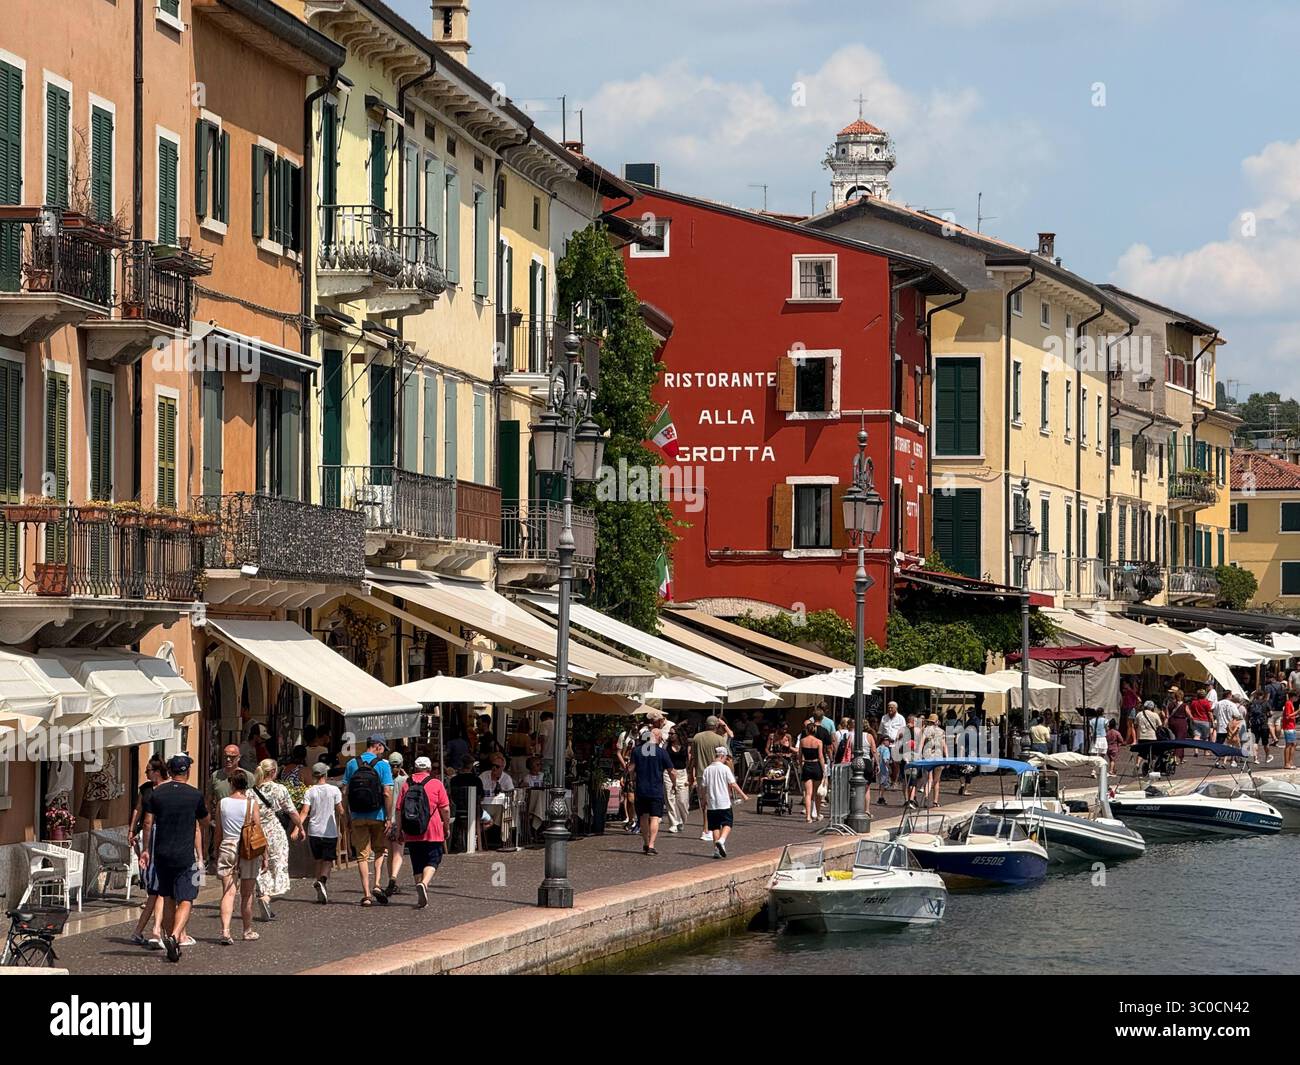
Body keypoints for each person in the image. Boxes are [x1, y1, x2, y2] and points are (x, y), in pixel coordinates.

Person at [139, 754, 209, 963]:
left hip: (161, 854)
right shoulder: (195, 795)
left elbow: (147, 823)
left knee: (167, 897)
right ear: (186, 771)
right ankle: (174, 936)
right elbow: (205, 821)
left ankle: (172, 942)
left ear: (169, 771)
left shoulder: (157, 793)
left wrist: (145, 849)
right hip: (184, 855)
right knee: (187, 898)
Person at [215, 771, 267, 945]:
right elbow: (258, 830)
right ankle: (247, 930)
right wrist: (265, 855)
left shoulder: (222, 803)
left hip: (227, 847)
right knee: (247, 894)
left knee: (228, 893)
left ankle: (225, 931)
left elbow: (218, 832)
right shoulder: (252, 804)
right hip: (248, 850)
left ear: (231, 784)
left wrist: (216, 852)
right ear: (247, 785)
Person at [342, 735, 395, 906]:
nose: (383, 752)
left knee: (362, 856)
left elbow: (345, 792)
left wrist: (347, 816)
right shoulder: (382, 765)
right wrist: (388, 817)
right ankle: (377, 884)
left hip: (357, 815)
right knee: (380, 850)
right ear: (378, 746)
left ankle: (366, 895)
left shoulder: (351, 764)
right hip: (377, 814)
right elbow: (387, 792)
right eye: (383, 748)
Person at [251, 758, 305, 919]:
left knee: (260, 866)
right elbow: (292, 811)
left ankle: (262, 893)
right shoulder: (279, 789)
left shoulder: (251, 791)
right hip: (274, 831)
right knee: (278, 863)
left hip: (256, 832)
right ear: (273, 772)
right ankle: (268, 897)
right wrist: (300, 827)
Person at [395, 756, 451, 908]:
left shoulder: (407, 784)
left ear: (414, 768)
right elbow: (445, 809)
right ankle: (424, 884)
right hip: (432, 830)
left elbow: (399, 809)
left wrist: (399, 830)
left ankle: (420, 896)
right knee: (433, 859)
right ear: (429, 769)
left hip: (412, 831)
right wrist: (446, 826)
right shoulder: (436, 783)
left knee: (417, 863)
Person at [129, 756, 167, 948]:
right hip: (153, 840)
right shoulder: (146, 789)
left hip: (157, 840)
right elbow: (139, 811)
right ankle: (156, 932)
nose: (146, 774)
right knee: (158, 891)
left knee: (156, 892)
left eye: (148, 770)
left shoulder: (166, 789)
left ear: (157, 772)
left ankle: (147, 931)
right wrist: (131, 830)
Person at [299, 762, 344, 903]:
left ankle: (320, 888)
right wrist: (346, 820)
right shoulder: (334, 790)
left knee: (318, 859)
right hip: (329, 831)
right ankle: (322, 881)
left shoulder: (309, 791)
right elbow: (340, 810)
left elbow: (304, 811)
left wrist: (297, 827)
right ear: (325, 774)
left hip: (314, 830)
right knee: (328, 860)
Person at [632, 728, 677, 855]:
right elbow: (671, 771)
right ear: (657, 738)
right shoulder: (662, 752)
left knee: (643, 816)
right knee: (655, 817)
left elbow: (631, 769)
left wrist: (630, 779)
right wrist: (674, 784)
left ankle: (646, 842)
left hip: (641, 789)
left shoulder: (637, 751)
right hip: (656, 790)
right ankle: (651, 845)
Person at [702, 746, 747, 859]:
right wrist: (743, 795)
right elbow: (732, 783)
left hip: (712, 802)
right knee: (728, 823)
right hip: (724, 802)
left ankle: (716, 850)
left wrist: (703, 799)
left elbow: (703, 787)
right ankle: (722, 840)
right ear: (722, 756)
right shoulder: (725, 769)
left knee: (715, 827)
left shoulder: (707, 769)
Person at [691, 716, 731, 840]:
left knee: (704, 803)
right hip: (717, 773)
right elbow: (728, 757)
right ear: (716, 726)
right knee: (718, 802)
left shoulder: (697, 737)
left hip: (701, 773)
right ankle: (713, 829)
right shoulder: (719, 739)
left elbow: (692, 757)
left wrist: (690, 775)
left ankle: (706, 829)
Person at [383, 752, 410, 895]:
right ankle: (393, 879)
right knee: (398, 853)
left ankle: (390, 880)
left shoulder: (385, 780)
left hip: (385, 821)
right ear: (401, 765)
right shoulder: (405, 780)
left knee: (389, 854)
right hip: (399, 821)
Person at [448, 755, 486, 852]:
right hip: (474, 811)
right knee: (490, 820)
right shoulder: (476, 780)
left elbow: (450, 796)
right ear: (471, 766)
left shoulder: (453, 780)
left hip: (457, 811)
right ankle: (476, 839)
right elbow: (481, 797)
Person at [796, 720, 825, 823]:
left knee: (808, 793)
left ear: (807, 731)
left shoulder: (803, 741)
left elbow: (799, 756)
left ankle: (808, 816)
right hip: (816, 765)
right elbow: (821, 757)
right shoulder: (819, 742)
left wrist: (801, 765)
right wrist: (824, 769)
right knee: (817, 794)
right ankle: (817, 814)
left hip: (807, 765)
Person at [664, 726, 691, 834]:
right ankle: (673, 823)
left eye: (672, 734)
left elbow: (689, 761)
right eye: (669, 734)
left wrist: (690, 775)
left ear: (678, 735)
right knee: (670, 799)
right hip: (668, 772)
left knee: (682, 801)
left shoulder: (685, 746)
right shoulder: (666, 746)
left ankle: (681, 820)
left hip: (682, 773)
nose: (670, 736)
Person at [878, 702, 907, 794]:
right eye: (889, 707)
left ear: (896, 708)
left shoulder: (900, 718)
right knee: (885, 763)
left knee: (895, 764)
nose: (890, 709)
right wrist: (878, 743)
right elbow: (880, 731)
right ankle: (887, 781)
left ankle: (895, 781)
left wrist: (898, 738)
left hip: (896, 743)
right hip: (885, 744)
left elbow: (904, 731)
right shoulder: (884, 718)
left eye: (892, 708)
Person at [1248, 689, 1273, 764]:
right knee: (1265, 742)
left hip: (1254, 725)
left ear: (1256, 695)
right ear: (1262, 695)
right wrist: (1267, 715)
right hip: (1264, 725)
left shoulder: (1252, 703)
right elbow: (1271, 713)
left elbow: (1248, 714)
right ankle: (1267, 756)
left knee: (1255, 742)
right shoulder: (1265, 703)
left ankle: (1256, 759)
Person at [1283, 690, 1297, 770]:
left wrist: (1296, 714)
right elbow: (1288, 716)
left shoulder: (1290, 703)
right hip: (1288, 727)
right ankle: (1287, 763)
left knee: (1293, 744)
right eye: (1296, 697)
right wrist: (1297, 712)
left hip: (1291, 726)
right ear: (1293, 696)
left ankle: (1290, 761)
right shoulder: (1288, 703)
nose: (1297, 698)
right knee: (1289, 745)